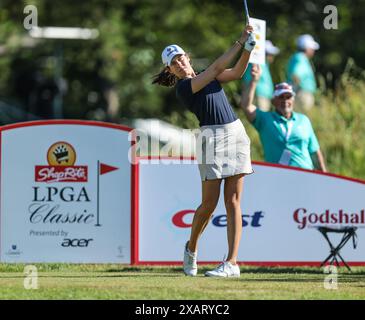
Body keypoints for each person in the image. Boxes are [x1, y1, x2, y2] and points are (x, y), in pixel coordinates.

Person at [152, 25, 256, 277]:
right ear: (170, 70)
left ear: (187, 57)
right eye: (173, 63)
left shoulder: (206, 76)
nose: (179, 63)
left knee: (233, 201)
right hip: (212, 139)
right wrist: (240, 41)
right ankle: (192, 248)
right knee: (209, 204)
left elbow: (237, 72)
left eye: (180, 58)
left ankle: (232, 263)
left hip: (235, 134)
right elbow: (217, 68)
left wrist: (248, 51)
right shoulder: (185, 87)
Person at [241, 64, 327, 172]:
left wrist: (324, 175)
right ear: (273, 101)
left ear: (293, 100)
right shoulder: (265, 119)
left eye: (288, 97)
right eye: (281, 97)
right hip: (277, 176)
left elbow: (314, 151)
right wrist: (254, 81)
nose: (285, 101)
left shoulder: (304, 120)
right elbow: (246, 106)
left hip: (305, 175)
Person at [242, 40, 280, 111]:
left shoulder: (264, 65)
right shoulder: (256, 64)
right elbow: (247, 81)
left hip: (263, 97)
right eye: (270, 54)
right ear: (264, 54)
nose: (272, 56)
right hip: (258, 97)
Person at [286, 34, 320, 111]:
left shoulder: (296, 57)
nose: (313, 50)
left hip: (300, 94)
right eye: (312, 48)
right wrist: (299, 89)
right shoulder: (301, 58)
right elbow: (296, 75)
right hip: (303, 95)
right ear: (306, 48)